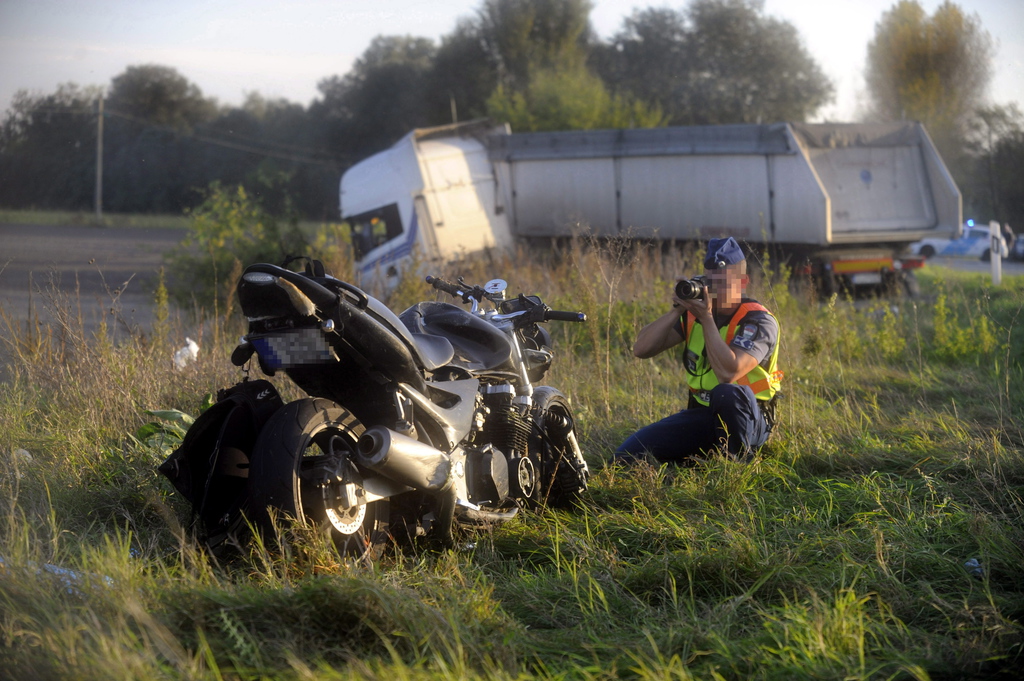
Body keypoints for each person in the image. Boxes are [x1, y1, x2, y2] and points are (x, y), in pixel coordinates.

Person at [614, 237, 782, 465]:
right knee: (627, 456)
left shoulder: (758, 321)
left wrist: (707, 318)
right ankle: (698, 463)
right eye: (710, 283)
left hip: (749, 420)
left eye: (723, 283)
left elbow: (728, 373)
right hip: (704, 415)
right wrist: (677, 310)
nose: (715, 290)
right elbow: (641, 349)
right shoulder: (693, 316)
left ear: (743, 281)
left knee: (727, 392)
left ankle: (736, 465)